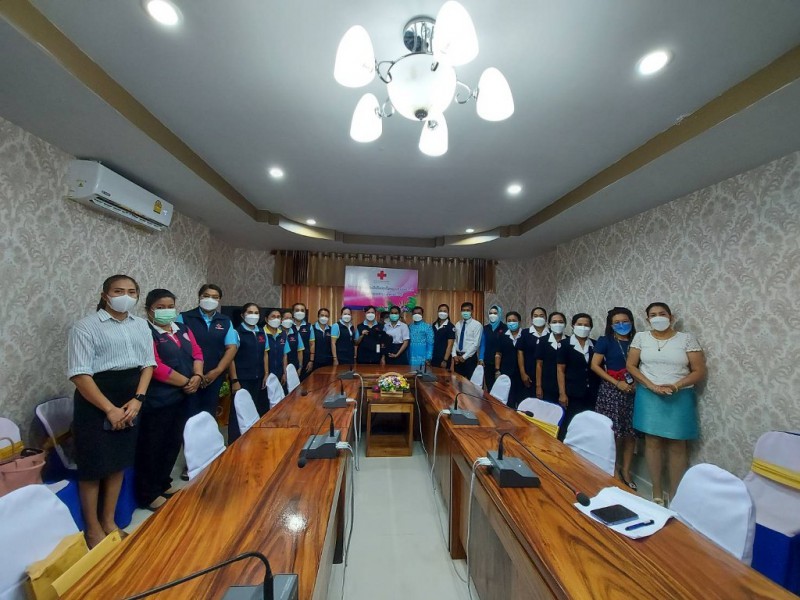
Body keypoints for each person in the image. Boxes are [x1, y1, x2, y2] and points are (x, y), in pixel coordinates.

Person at [67, 274, 155, 548]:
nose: (125, 296)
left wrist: (138, 399)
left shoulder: (141, 325)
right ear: (105, 295)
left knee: (118, 461)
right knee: (93, 466)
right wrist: (109, 409)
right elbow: (79, 374)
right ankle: (93, 529)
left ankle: (109, 521)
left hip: (131, 399)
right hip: (96, 400)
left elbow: (148, 364)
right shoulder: (85, 327)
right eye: (118, 291)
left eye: (131, 292)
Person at [627, 302, 706, 505]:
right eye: (653, 315)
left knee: (677, 443)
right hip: (649, 394)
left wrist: (676, 385)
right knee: (652, 442)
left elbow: (699, 370)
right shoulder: (641, 337)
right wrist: (651, 385)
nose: (658, 317)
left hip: (678, 395)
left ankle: (675, 494)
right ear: (648, 320)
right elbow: (631, 365)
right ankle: (657, 491)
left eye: (662, 313)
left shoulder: (686, 339)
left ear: (671, 317)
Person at [136, 289, 203, 510]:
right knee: (153, 446)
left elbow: (197, 353)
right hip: (159, 398)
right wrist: (186, 381)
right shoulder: (146, 332)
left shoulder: (182, 329)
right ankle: (148, 493)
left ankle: (163, 482)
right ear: (149, 310)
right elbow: (154, 365)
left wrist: (197, 375)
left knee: (172, 442)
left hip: (183, 396)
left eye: (170, 306)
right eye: (160, 307)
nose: (166, 311)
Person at [591, 307, 637, 490]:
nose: (621, 325)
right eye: (617, 322)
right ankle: (614, 469)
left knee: (631, 432)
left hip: (634, 390)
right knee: (615, 433)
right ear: (611, 325)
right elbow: (595, 365)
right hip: (612, 390)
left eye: (625, 321)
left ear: (631, 322)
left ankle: (627, 470)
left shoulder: (637, 340)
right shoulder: (605, 341)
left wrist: (636, 383)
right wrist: (617, 383)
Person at [176, 284, 238, 418]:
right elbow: (178, 346)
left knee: (209, 414)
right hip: (189, 376)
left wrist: (217, 371)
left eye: (215, 297)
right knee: (188, 415)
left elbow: (231, 348)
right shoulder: (184, 317)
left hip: (214, 376)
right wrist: (196, 374)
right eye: (206, 296)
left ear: (219, 300)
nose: (210, 299)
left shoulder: (225, 321)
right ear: (199, 297)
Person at [227, 303, 269, 442]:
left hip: (258, 377)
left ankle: (251, 440)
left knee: (253, 409)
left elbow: (265, 354)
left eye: (256, 313)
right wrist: (234, 380)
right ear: (242, 315)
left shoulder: (261, 332)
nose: (253, 315)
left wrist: (266, 373)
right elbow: (231, 358)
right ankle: (234, 442)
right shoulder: (236, 332)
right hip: (241, 378)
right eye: (250, 312)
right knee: (237, 411)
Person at [557, 313, 599, 440]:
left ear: (591, 327)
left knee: (589, 424)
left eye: (586, 325)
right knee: (570, 423)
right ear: (573, 325)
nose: (583, 327)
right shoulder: (564, 344)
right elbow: (560, 370)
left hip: (592, 392)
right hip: (573, 392)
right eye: (580, 324)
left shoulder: (595, 344)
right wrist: (562, 393)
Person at [494, 311, 525, 407]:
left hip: (523, 374)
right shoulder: (502, 336)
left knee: (522, 400)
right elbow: (498, 353)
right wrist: (497, 370)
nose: (511, 323)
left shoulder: (525, 335)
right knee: (509, 400)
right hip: (507, 372)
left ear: (519, 322)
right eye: (509, 321)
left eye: (514, 320)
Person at [535, 312, 567, 403]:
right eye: (554, 322)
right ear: (549, 324)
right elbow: (539, 365)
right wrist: (538, 386)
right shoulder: (543, 341)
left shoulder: (569, 341)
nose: (557, 324)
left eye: (560, 322)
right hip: (548, 385)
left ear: (565, 324)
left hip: (566, 386)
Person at [518, 307, 549, 395]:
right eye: (535, 316)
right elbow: (520, 352)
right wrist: (522, 373)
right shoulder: (525, 333)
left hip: (547, 374)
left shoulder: (551, 334)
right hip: (529, 373)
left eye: (541, 316)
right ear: (532, 319)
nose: (538, 318)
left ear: (546, 318)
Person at [452, 302, 483, 380]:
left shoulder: (477, 325)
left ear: (472, 311)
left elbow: (476, 344)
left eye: (467, 310)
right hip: (457, 358)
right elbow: (455, 341)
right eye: (463, 310)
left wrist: (464, 357)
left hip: (470, 358)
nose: (465, 312)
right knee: (457, 383)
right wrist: (454, 355)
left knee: (470, 384)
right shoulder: (458, 324)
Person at [480, 304, 508, 391]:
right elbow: (483, 344)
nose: (492, 315)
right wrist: (481, 358)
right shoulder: (485, 328)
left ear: (499, 314)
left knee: (501, 388)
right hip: (487, 362)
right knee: (490, 386)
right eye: (490, 313)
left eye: (495, 313)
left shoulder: (505, 328)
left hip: (502, 363)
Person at [264, 309, 289, 385]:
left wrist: (285, 373)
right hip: (265, 374)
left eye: (278, 317)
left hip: (279, 373)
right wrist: (266, 373)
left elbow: (285, 355)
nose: (276, 319)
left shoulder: (283, 334)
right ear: (266, 319)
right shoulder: (261, 333)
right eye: (273, 316)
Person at [291, 302, 315, 379]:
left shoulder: (309, 326)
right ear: (293, 312)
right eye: (297, 310)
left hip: (305, 359)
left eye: (302, 310)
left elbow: (312, 344)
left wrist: (311, 361)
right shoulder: (288, 325)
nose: (300, 312)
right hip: (290, 359)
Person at [432, 304, 456, 370]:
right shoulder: (434, 325)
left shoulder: (450, 327)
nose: (442, 313)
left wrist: (445, 360)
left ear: (448, 313)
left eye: (445, 311)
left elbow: (450, 345)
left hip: (443, 359)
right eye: (440, 311)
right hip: (433, 357)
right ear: (437, 312)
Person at [281, 309, 304, 374]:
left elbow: (300, 351)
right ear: (281, 320)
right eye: (286, 318)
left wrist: (300, 367)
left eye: (290, 318)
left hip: (294, 366)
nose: (288, 320)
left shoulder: (296, 333)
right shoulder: (278, 333)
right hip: (280, 368)